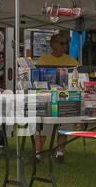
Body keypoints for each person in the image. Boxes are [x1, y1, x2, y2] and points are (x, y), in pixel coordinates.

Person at [34, 31, 80, 160]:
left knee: (63, 126)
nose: (65, 46)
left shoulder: (72, 61)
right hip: (46, 99)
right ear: (53, 44)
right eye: (62, 43)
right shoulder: (42, 61)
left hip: (65, 99)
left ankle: (60, 154)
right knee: (42, 127)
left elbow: (76, 80)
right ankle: (37, 154)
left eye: (66, 44)